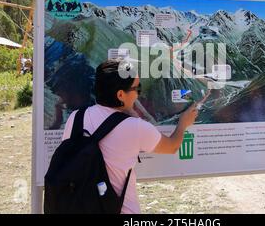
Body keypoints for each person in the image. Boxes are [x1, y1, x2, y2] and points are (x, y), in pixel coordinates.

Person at [61, 59, 198, 214]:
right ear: (120, 94)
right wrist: (183, 123)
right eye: (136, 88)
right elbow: (172, 146)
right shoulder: (135, 127)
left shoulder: (76, 117)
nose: (138, 94)